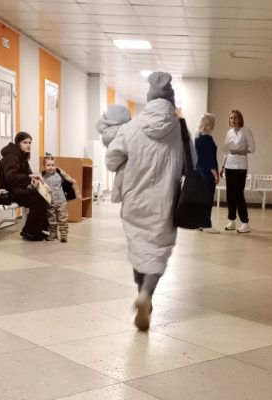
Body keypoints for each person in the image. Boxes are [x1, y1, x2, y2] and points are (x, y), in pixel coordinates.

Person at [102, 71, 184, 331]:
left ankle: (142, 295)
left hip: (134, 199)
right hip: (165, 201)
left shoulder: (131, 127)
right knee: (158, 251)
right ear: (171, 100)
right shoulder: (180, 130)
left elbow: (111, 160)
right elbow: (188, 167)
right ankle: (146, 294)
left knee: (139, 247)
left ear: (149, 98)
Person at [0, 131, 49, 241]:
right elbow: (11, 178)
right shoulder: (11, 157)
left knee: (44, 195)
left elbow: (26, 175)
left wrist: (33, 183)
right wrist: (29, 177)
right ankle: (29, 231)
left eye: (30, 142)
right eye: (25, 142)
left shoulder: (22, 157)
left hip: (18, 190)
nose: (28, 145)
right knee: (40, 198)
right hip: (8, 192)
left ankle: (37, 230)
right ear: (18, 143)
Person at [222, 109, 255, 233]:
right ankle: (231, 221)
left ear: (240, 118)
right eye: (231, 118)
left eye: (235, 117)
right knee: (229, 195)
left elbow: (252, 148)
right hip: (229, 166)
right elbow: (226, 151)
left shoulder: (246, 131)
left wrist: (239, 152)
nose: (233, 120)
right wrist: (222, 166)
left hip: (240, 167)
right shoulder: (229, 132)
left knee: (238, 194)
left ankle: (245, 223)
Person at [41, 153, 78, 242]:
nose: (51, 167)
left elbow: (66, 176)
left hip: (61, 201)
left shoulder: (58, 172)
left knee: (63, 218)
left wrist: (72, 180)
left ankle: (64, 235)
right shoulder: (42, 175)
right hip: (50, 202)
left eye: (53, 165)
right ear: (44, 165)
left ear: (56, 165)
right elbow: (38, 184)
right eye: (48, 165)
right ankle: (53, 235)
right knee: (51, 220)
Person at [194, 113, 220, 234]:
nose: (214, 125)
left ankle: (199, 223)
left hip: (199, 171)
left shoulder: (197, 138)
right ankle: (206, 225)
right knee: (208, 199)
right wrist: (215, 174)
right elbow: (210, 159)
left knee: (201, 199)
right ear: (209, 124)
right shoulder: (208, 139)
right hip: (207, 173)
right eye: (213, 123)